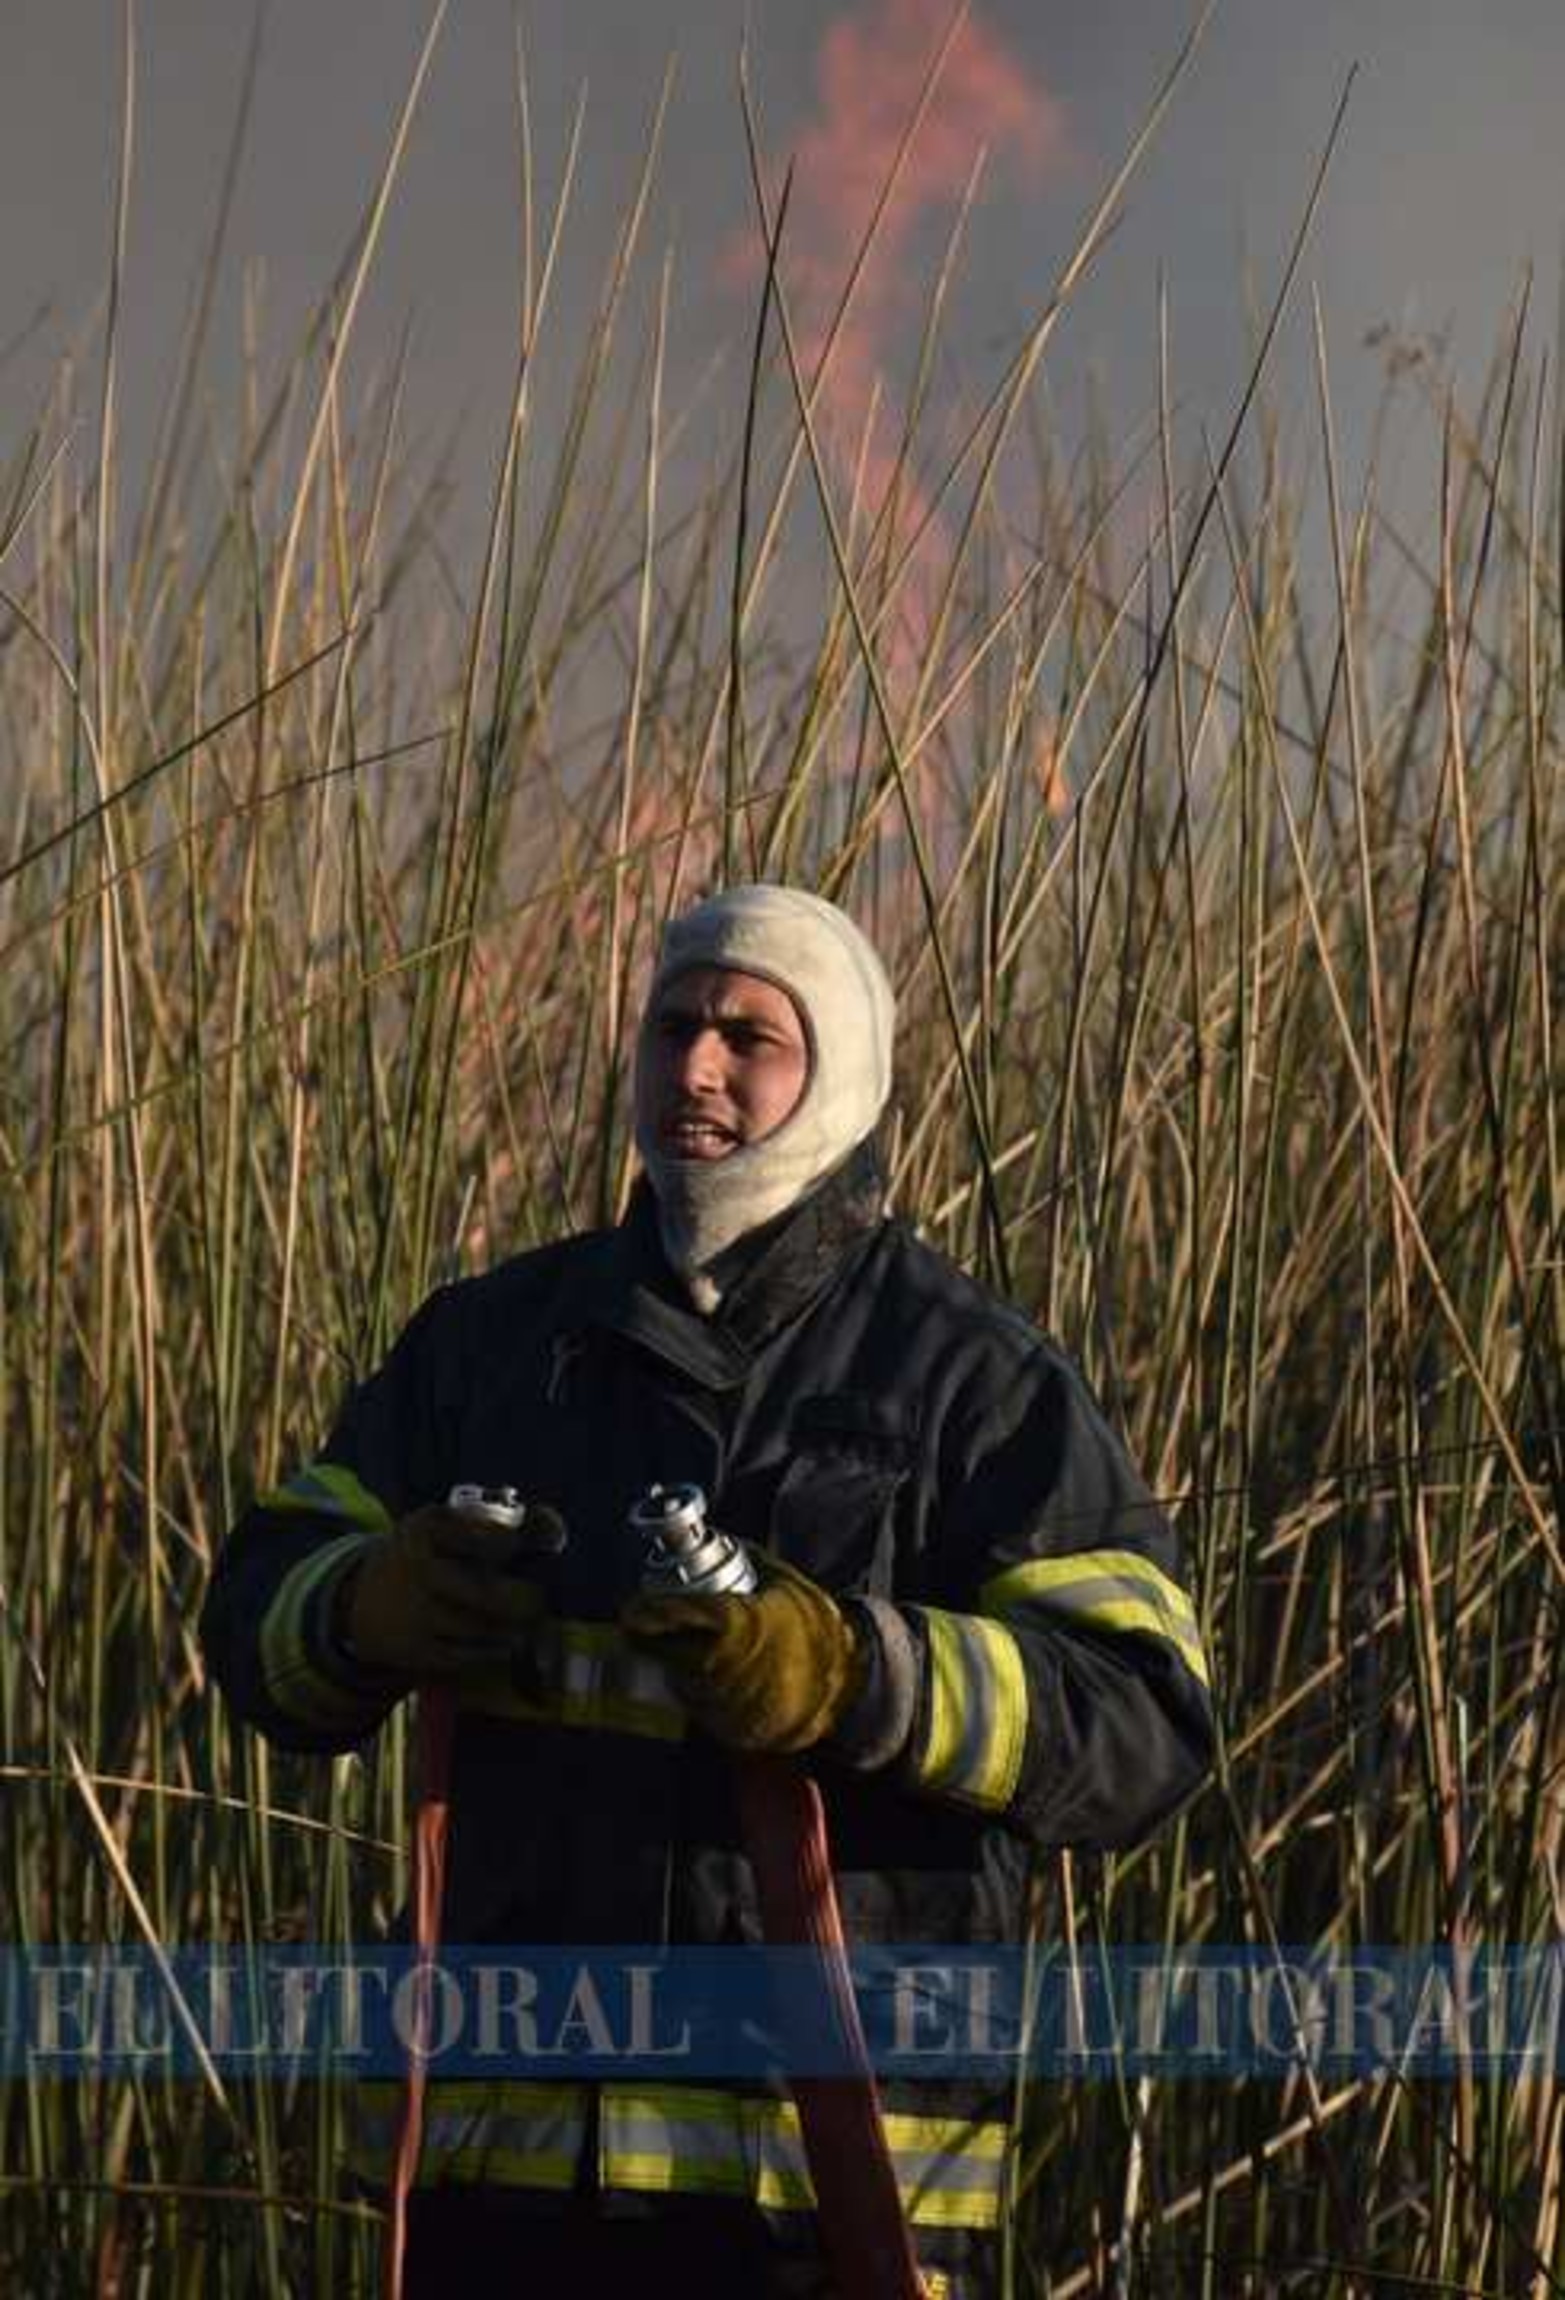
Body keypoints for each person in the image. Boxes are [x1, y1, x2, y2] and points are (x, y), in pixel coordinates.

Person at [200, 882, 1214, 2299]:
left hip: (819, 2216)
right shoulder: (489, 1347)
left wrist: (857, 1676)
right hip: (499, 2207)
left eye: (751, 1037)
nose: (695, 1067)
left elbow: (1142, 1722)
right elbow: (254, 1616)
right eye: (673, 1025)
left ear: (838, 1077)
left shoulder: (970, 1383)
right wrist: (361, 1608)